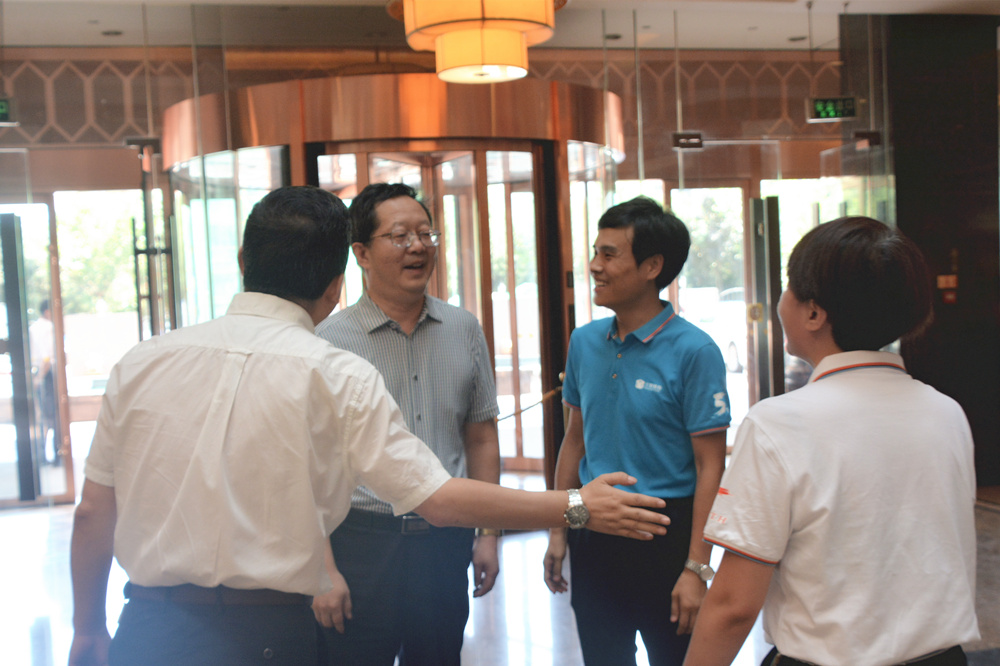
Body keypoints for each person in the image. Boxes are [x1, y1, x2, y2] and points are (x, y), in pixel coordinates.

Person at [68, 185, 673, 666]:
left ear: (243, 261)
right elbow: (436, 498)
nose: (416, 247)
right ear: (339, 281)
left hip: (147, 627)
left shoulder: (142, 361)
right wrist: (576, 505)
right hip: (273, 630)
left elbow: (93, 512)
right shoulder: (334, 370)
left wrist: (88, 627)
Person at [683, 217, 979, 666]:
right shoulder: (947, 413)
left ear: (814, 313)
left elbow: (733, 606)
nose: (781, 299)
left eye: (789, 287)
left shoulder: (777, 424)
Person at [312, 182, 501, 665]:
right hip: (360, 542)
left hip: (445, 540)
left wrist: (488, 534)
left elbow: (481, 436)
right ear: (361, 253)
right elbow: (310, 465)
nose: (418, 246)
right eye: (399, 236)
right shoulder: (328, 341)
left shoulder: (463, 328)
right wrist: (323, 568)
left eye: (425, 234)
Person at [543, 196, 731, 665]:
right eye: (595, 252)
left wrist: (697, 567)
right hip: (593, 529)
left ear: (652, 267)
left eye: (609, 255)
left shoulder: (695, 351)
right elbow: (574, 440)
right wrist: (559, 531)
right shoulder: (584, 341)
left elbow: (711, 466)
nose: (594, 266)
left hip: (666, 533)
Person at [29, 298, 58, 464]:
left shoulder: (34, 328)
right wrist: (39, 378)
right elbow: (47, 358)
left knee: (44, 416)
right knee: (50, 417)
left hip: (40, 373)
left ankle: (43, 455)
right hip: (45, 375)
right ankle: (54, 454)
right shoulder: (48, 328)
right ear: (47, 311)